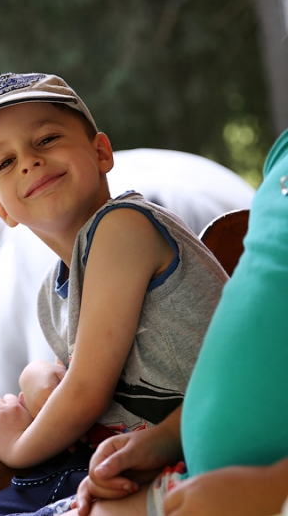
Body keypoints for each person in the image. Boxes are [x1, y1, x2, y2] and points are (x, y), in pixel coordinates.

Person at [0, 73, 229, 515]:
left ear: (101, 152)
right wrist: (35, 374)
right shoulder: (53, 291)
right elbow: (81, 370)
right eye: (5, 163)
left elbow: (85, 393)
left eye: (46, 139)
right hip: (133, 456)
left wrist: (15, 447)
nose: (29, 162)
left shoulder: (124, 227)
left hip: (208, 447)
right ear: (2, 211)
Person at [68, 128, 288, 516]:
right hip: (185, 484)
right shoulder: (282, 159)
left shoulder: (124, 229)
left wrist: (271, 491)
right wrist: (166, 440)